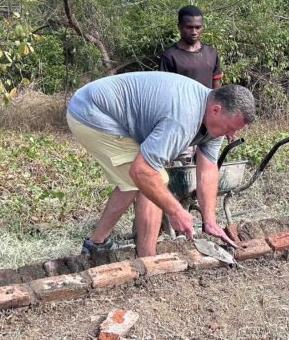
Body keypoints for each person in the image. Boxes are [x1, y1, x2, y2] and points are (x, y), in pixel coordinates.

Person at [66, 72, 253, 257]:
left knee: (132, 183)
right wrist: (176, 211)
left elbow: (208, 169)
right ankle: (148, 260)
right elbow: (143, 172)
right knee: (153, 179)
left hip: (103, 109)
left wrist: (209, 220)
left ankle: (96, 244)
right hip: (92, 111)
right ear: (216, 109)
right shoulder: (184, 117)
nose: (231, 135)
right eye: (230, 128)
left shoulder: (214, 121)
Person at [159, 5, 223, 89]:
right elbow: (164, 88)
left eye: (198, 27)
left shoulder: (211, 53)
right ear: (179, 26)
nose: (194, 32)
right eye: (189, 27)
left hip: (208, 102)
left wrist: (216, 101)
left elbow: (216, 84)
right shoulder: (169, 57)